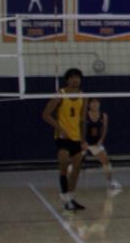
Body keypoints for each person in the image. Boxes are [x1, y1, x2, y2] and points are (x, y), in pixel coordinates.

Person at [42, 67, 87, 211]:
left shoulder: (83, 96)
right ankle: (65, 198)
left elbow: (82, 120)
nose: (75, 80)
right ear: (67, 79)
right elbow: (46, 115)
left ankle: (71, 198)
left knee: (76, 169)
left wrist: (83, 140)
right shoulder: (59, 95)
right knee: (63, 164)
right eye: (72, 77)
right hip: (62, 138)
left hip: (76, 138)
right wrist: (60, 129)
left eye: (77, 77)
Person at [81, 98, 122, 194]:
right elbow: (81, 129)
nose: (95, 104)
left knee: (105, 161)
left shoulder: (103, 115)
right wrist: (82, 142)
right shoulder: (85, 115)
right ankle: (66, 183)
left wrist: (101, 140)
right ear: (89, 105)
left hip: (96, 143)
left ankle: (110, 182)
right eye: (93, 103)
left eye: (97, 102)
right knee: (75, 163)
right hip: (84, 143)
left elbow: (104, 129)